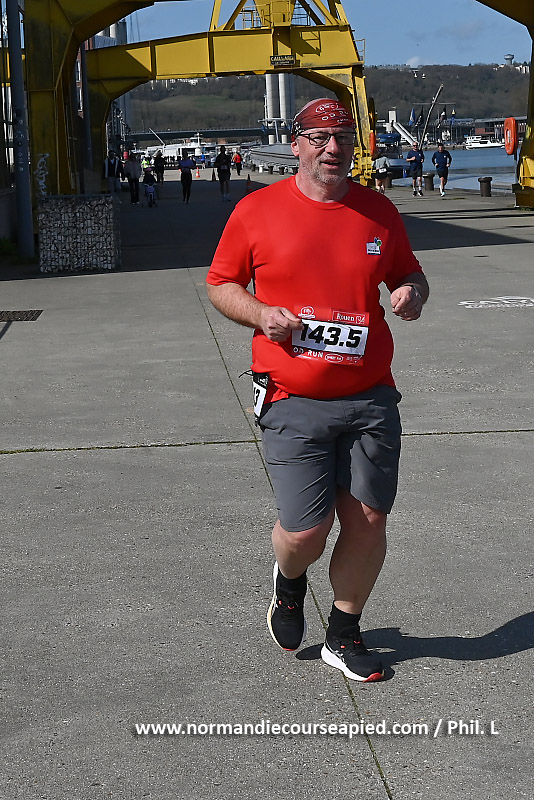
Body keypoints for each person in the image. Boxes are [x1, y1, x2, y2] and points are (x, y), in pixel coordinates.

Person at [206, 98, 429, 683]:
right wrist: (261, 314)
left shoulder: (378, 211)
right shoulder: (257, 211)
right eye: (321, 137)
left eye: (344, 138)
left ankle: (344, 633)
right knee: (307, 531)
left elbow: (409, 271)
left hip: (369, 394)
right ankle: (289, 581)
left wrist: (411, 292)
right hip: (292, 397)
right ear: (297, 143)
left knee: (369, 520)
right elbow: (221, 283)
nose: (334, 148)